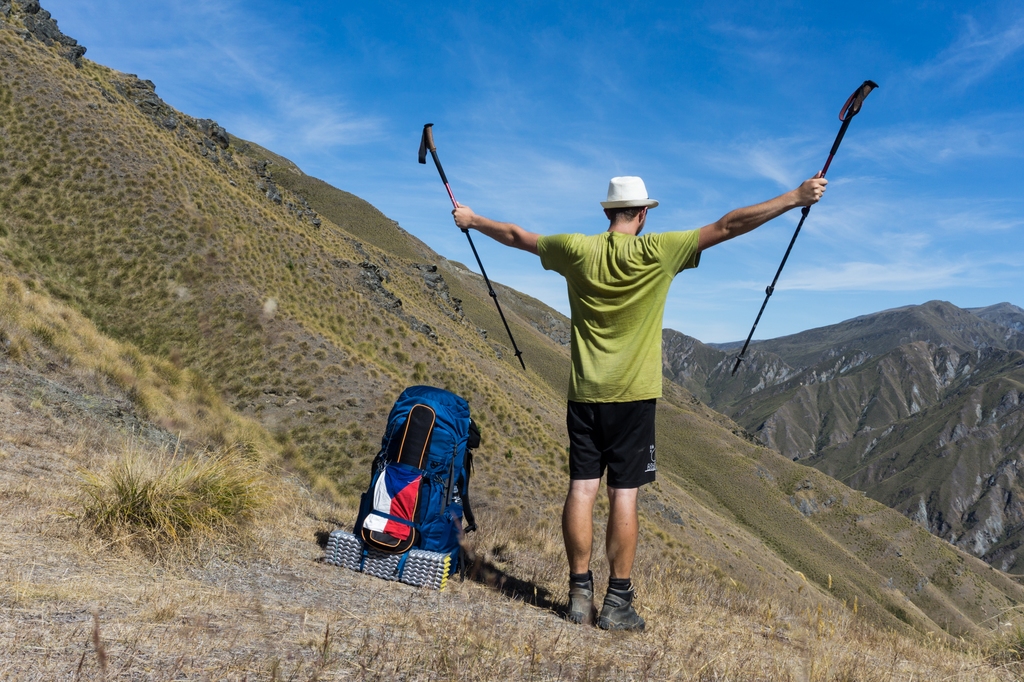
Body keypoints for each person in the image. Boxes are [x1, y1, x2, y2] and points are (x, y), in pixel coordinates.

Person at [452, 173, 826, 631]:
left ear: (608, 212)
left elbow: (515, 236)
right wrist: (795, 197)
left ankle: (578, 595)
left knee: (582, 489)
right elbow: (729, 225)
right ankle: (617, 602)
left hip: (584, 392)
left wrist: (472, 219)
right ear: (644, 213)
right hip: (632, 397)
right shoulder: (658, 251)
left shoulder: (575, 249)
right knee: (623, 494)